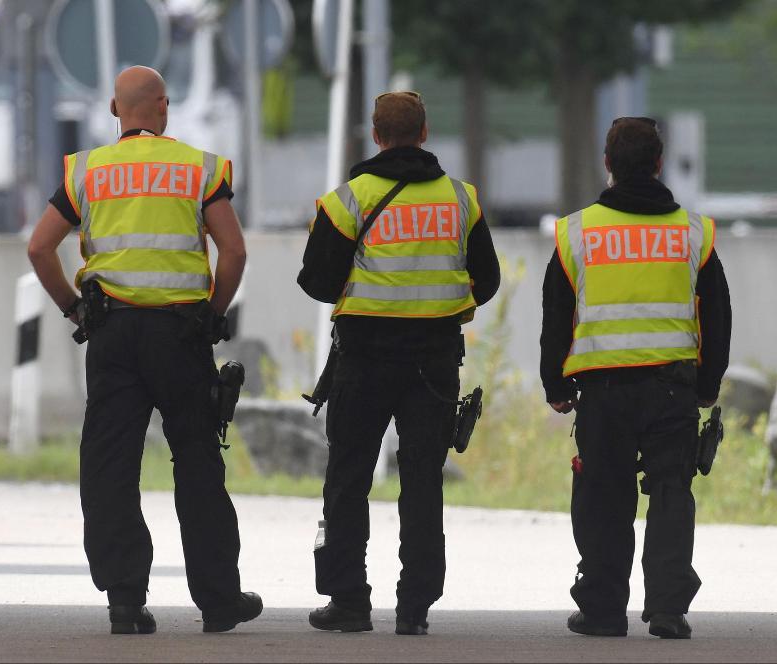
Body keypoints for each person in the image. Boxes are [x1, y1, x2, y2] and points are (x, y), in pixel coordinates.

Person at [26, 66, 261, 635]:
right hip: (181, 335)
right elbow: (232, 251)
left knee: (109, 466)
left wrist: (74, 310)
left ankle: (125, 601)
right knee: (199, 463)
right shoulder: (197, 169)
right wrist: (212, 313)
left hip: (112, 336)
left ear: (114, 109)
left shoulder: (86, 172)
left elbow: (39, 248)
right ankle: (218, 602)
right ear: (165, 107)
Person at [297, 91, 500, 636]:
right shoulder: (461, 200)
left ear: (376, 134)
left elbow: (315, 281)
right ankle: (415, 607)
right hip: (434, 359)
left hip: (363, 357)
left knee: (348, 478)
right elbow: (489, 279)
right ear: (424, 132)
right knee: (422, 480)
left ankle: (349, 602)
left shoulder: (349, 201)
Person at [539, 117, 731, 640]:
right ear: (658, 163)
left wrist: (555, 385)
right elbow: (717, 314)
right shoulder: (694, 234)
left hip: (602, 392)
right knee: (671, 493)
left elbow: (556, 313)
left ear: (608, 165)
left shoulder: (577, 233)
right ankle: (668, 610)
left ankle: (602, 611)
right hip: (671, 388)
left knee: (602, 495)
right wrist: (708, 382)